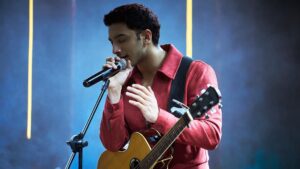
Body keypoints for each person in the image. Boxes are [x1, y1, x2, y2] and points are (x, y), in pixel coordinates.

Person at [99, 3, 222, 169]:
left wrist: (159, 117)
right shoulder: (124, 81)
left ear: (146, 37)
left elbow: (212, 136)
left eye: (122, 40)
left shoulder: (196, 72)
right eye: (111, 42)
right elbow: (113, 145)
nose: (115, 50)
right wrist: (113, 93)